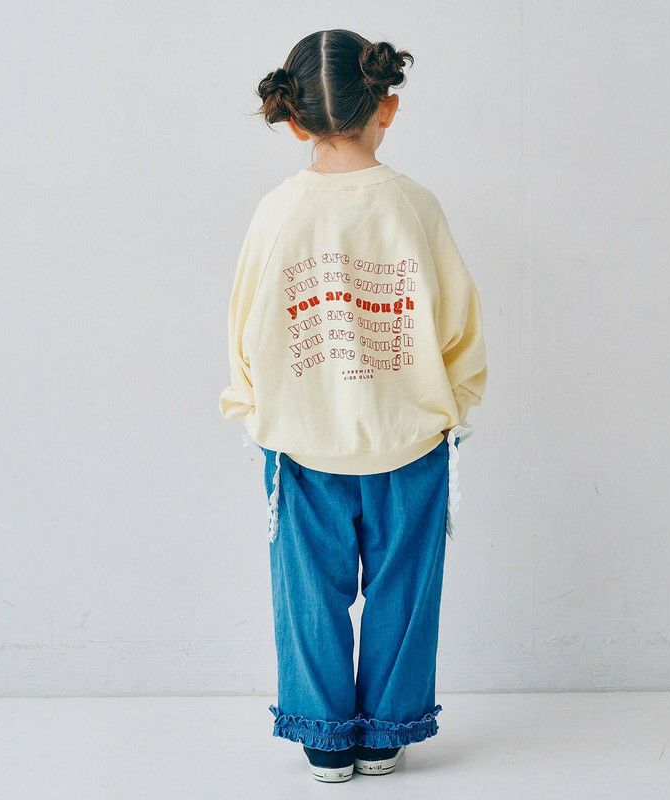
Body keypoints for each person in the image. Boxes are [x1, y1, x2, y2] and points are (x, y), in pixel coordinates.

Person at [219, 29, 488, 783]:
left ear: (293, 120)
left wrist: (253, 409)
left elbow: (245, 325)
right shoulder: (415, 206)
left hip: (302, 442)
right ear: (387, 107)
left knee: (309, 592)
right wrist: (454, 407)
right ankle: (386, 733)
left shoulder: (277, 212)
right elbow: (459, 323)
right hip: (410, 438)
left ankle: (325, 736)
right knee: (405, 590)